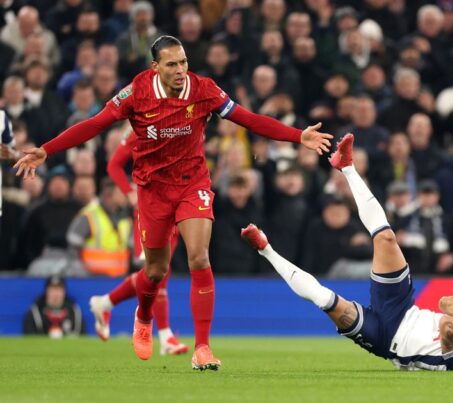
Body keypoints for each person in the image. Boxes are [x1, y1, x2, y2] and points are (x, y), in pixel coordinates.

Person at [14, 35, 333, 370]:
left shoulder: (203, 89)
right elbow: (94, 125)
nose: (181, 70)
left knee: (198, 257)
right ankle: (143, 315)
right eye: (172, 64)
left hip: (191, 183)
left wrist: (298, 135)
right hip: (152, 191)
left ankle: (203, 348)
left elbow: (247, 118)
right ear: (156, 67)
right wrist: (46, 150)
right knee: (155, 270)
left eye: (183, 62)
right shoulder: (135, 92)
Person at [241, 134, 453, 371]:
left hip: (385, 339)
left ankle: (265, 250)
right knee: (386, 238)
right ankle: (347, 167)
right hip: (402, 308)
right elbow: (448, 302)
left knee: (324, 299)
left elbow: (450, 326)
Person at [89, 130, 188, 356]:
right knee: (157, 271)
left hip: (175, 209)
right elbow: (114, 165)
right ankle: (165, 337)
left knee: (160, 271)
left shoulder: (185, 125)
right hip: (148, 209)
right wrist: (129, 192)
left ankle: (105, 303)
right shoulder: (144, 126)